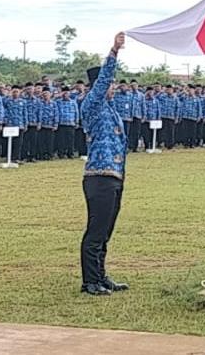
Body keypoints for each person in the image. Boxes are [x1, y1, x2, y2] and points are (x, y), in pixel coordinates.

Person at [79, 32, 130, 296]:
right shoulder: (92, 105)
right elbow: (101, 85)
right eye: (110, 84)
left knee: (106, 230)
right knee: (96, 230)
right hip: (98, 176)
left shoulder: (111, 110)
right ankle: (89, 281)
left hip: (115, 175)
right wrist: (114, 51)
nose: (113, 88)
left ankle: (101, 275)